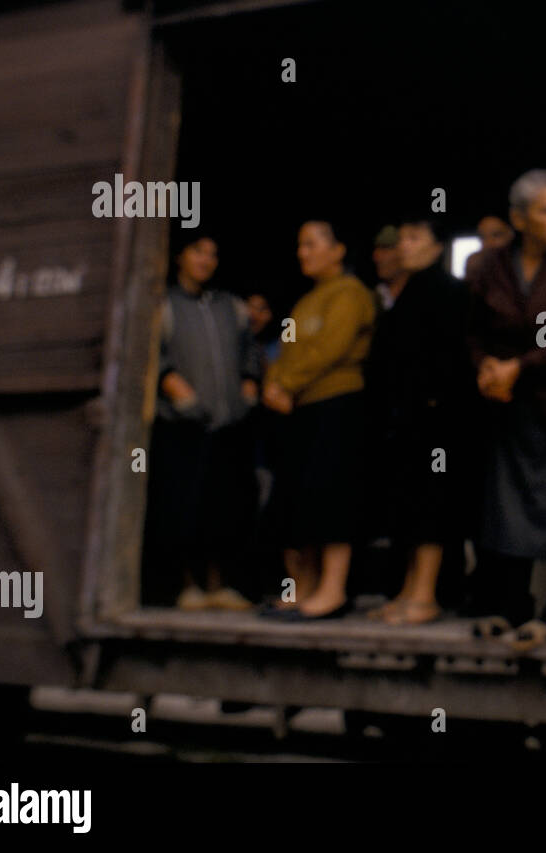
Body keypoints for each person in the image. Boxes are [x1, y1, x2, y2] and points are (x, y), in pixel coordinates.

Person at [466, 170, 546, 649]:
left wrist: (519, 366)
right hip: (506, 407)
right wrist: (486, 368)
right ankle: (509, 605)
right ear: (519, 218)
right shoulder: (489, 266)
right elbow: (474, 329)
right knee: (505, 509)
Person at [260, 219, 376, 620]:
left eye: (311, 244)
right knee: (299, 499)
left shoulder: (350, 293)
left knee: (332, 497)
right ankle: (301, 589)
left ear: (338, 250)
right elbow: (284, 348)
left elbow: (333, 347)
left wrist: (286, 383)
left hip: (337, 407)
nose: (302, 253)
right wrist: (273, 382)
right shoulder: (306, 301)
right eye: (300, 245)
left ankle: (333, 591)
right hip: (301, 410)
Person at [365, 219, 477, 625]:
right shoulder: (407, 292)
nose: (404, 247)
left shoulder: (449, 290)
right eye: (403, 238)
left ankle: (426, 595)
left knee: (433, 503)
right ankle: (408, 590)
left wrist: (431, 400)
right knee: (407, 503)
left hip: (438, 419)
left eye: (414, 239)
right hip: (406, 419)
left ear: (436, 247)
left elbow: (452, 358)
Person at [141, 232, 259, 611]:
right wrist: (177, 389)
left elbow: (250, 353)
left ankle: (218, 586)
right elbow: (150, 354)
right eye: (198, 252)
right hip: (182, 426)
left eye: (213, 254)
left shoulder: (231, 306)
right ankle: (184, 586)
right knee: (180, 508)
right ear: (180, 257)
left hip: (227, 427)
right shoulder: (164, 304)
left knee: (224, 509)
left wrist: (249, 386)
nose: (207, 260)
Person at [465, 215, 515, 280]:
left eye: (496, 235)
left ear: (510, 234)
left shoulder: (521, 265)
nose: (488, 243)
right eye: (483, 237)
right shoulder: (477, 267)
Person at [371, 224, 408, 312]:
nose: (376, 257)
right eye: (377, 250)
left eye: (385, 250)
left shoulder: (422, 294)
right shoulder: (375, 296)